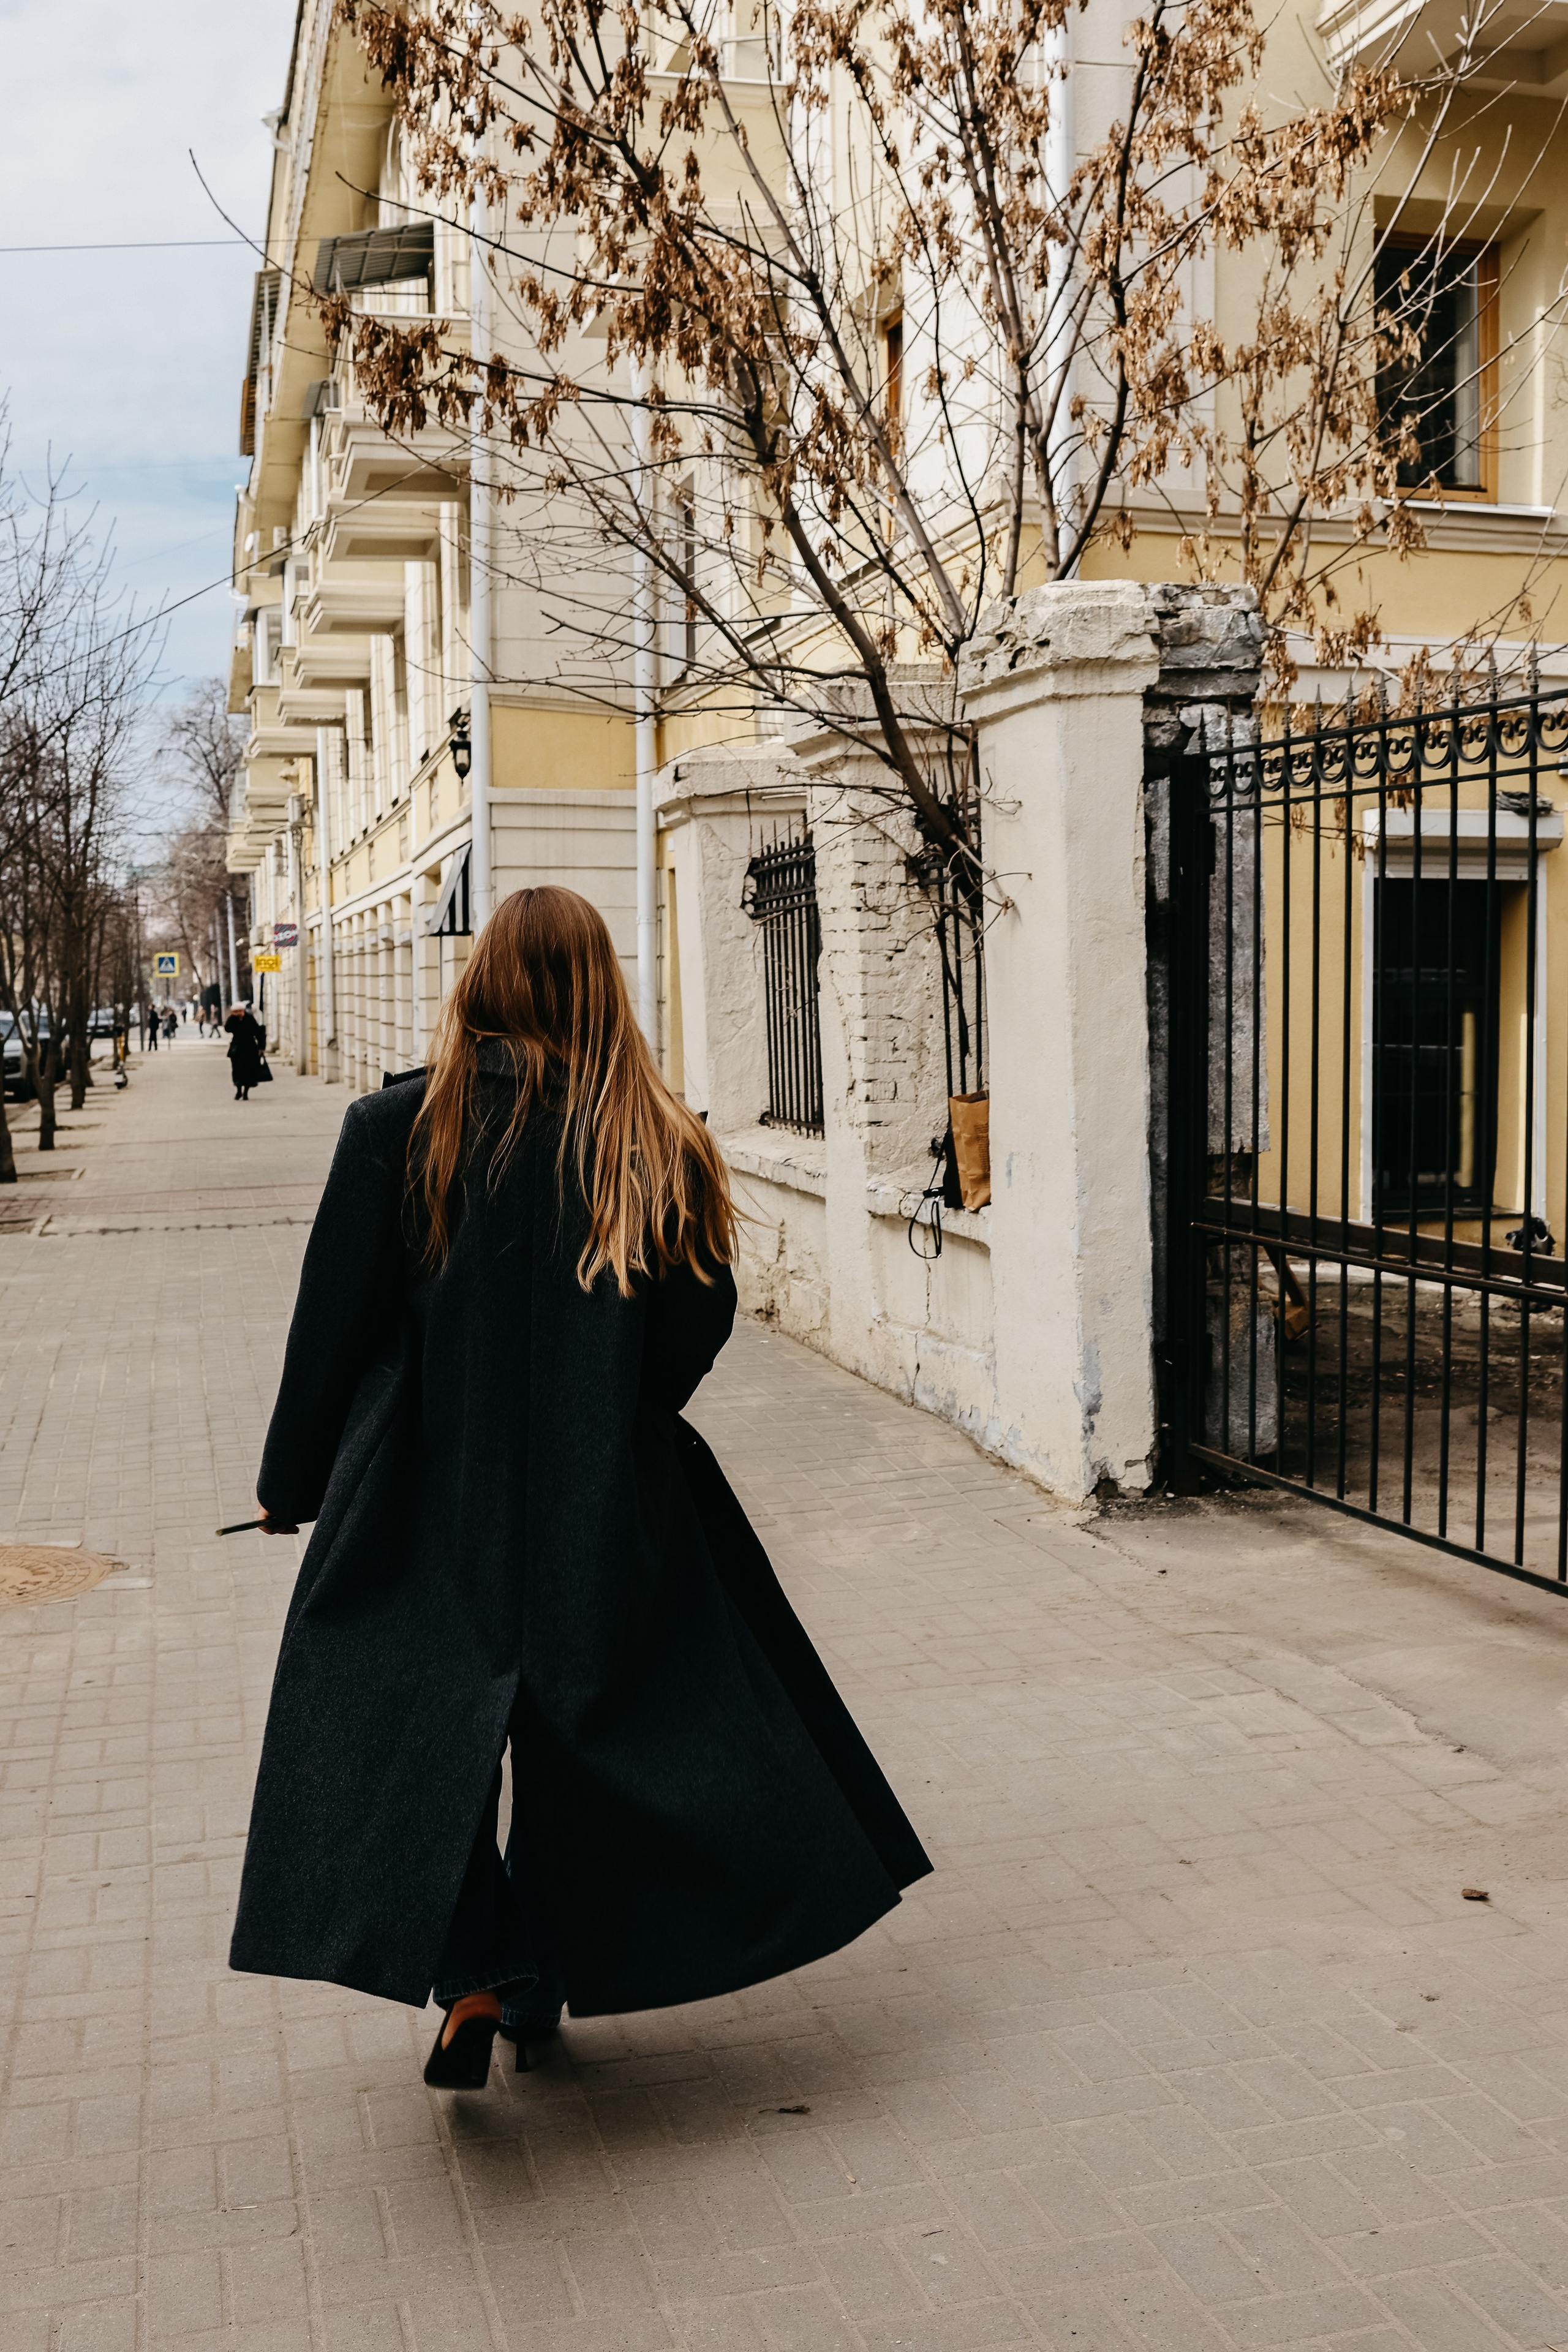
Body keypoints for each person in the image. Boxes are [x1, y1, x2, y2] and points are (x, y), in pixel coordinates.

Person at [230, 886, 930, 2090]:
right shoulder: (656, 1141)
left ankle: (479, 1971)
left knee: (411, 1732)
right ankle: (543, 1961)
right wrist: (613, 1416)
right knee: (591, 1735)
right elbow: (694, 1327)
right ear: (601, 985)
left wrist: (293, 1481)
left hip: (417, 1500)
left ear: (481, 981)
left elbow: (330, 1332)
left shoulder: (396, 1130)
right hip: (603, 1500)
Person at [224, 1003, 265, 1101]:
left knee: (249, 1070)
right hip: (237, 1049)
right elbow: (227, 1029)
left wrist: (261, 1047)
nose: (239, 1013)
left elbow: (258, 1032)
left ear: (244, 1010)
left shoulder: (250, 1019)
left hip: (249, 1048)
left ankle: (246, 1092)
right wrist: (233, 1018)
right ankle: (239, 1091)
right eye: (236, 1012)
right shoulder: (232, 1020)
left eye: (240, 1011)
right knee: (237, 1070)